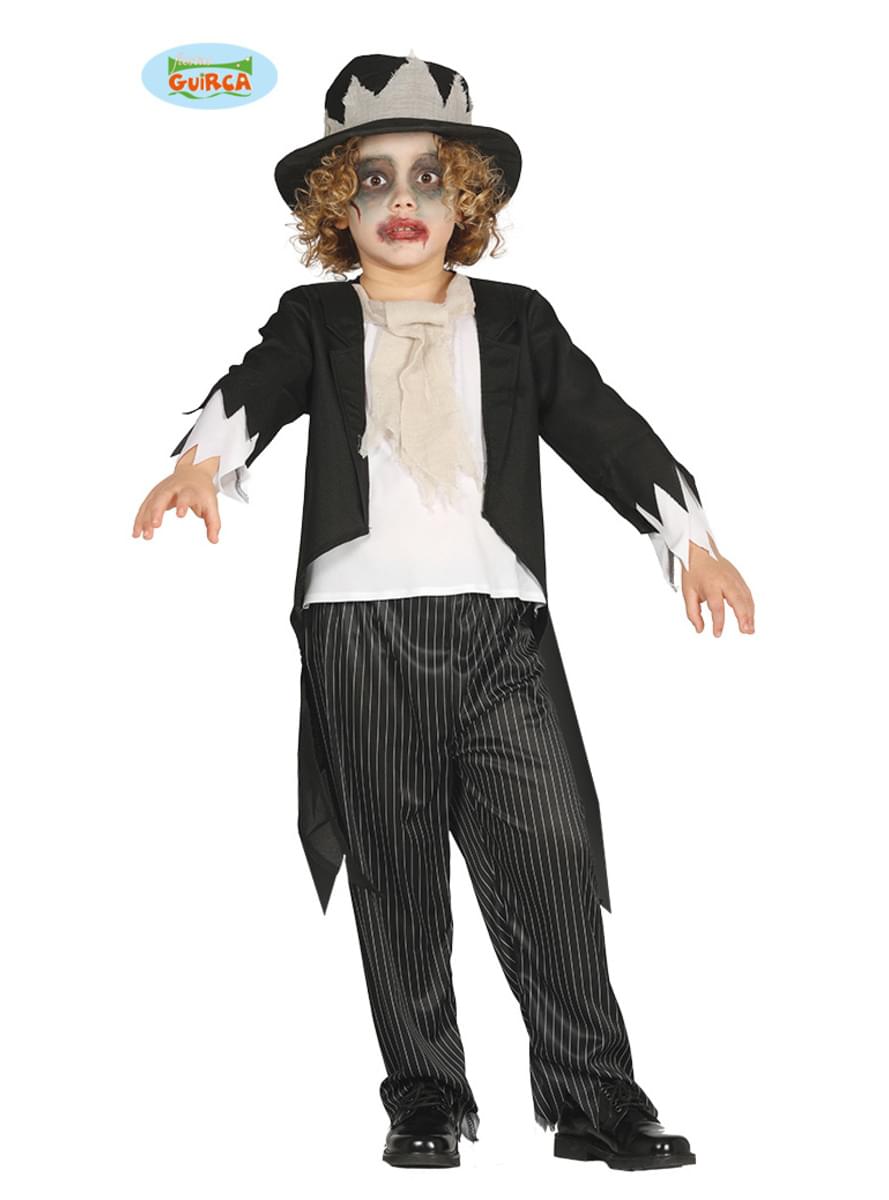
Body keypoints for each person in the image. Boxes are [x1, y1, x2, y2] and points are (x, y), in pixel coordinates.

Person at [132, 53, 754, 1171]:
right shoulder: (316, 319)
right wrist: (197, 464)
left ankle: (595, 1099)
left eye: (429, 177)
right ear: (338, 206)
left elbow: (602, 426)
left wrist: (689, 540)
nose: (402, 202)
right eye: (372, 180)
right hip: (360, 628)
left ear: (466, 198)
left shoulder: (514, 320)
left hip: (499, 625)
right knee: (397, 867)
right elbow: (256, 387)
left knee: (551, 854)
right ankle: (427, 1095)